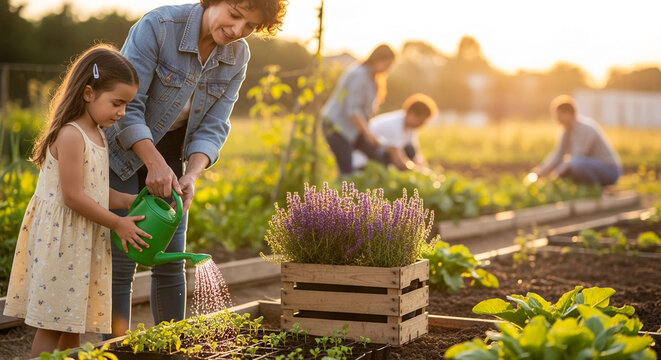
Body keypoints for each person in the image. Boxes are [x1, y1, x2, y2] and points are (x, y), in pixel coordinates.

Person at [104, 0, 288, 338]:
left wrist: (192, 174)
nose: (237, 31)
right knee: (122, 261)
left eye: (249, 26)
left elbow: (215, 124)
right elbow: (127, 105)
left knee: (171, 261)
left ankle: (169, 346)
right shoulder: (159, 26)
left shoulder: (237, 56)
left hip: (173, 158)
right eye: (234, 15)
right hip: (124, 153)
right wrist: (153, 163)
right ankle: (114, 349)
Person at [3, 44, 150, 357]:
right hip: (63, 241)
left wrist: (130, 199)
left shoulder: (97, 133)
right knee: (53, 322)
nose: (122, 112)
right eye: (117, 103)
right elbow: (73, 197)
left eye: (127, 105)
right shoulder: (71, 135)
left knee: (73, 321)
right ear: (87, 93)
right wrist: (117, 223)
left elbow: (94, 190)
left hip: (81, 240)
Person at [322, 44, 396, 175]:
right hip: (336, 126)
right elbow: (353, 110)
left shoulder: (372, 78)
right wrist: (367, 133)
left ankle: (376, 186)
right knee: (346, 169)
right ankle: (343, 192)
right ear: (378, 59)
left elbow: (365, 111)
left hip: (352, 128)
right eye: (387, 64)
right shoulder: (359, 75)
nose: (388, 69)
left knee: (378, 155)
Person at [529, 95, 622, 186]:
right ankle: (586, 189)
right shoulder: (566, 132)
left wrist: (555, 174)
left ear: (569, 114)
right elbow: (557, 154)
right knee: (571, 166)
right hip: (590, 167)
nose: (556, 118)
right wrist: (541, 171)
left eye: (559, 114)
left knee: (575, 164)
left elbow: (576, 157)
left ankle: (595, 190)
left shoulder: (585, 129)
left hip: (609, 171)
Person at [352, 93, 438, 172]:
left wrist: (426, 170)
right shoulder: (393, 125)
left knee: (409, 149)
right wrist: (420, 172)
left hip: (379, 157)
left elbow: (416, 156)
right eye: (420, 121)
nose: (421, 125)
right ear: (412, 114)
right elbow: (398, 161)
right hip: (363, 161)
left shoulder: (410, 128)